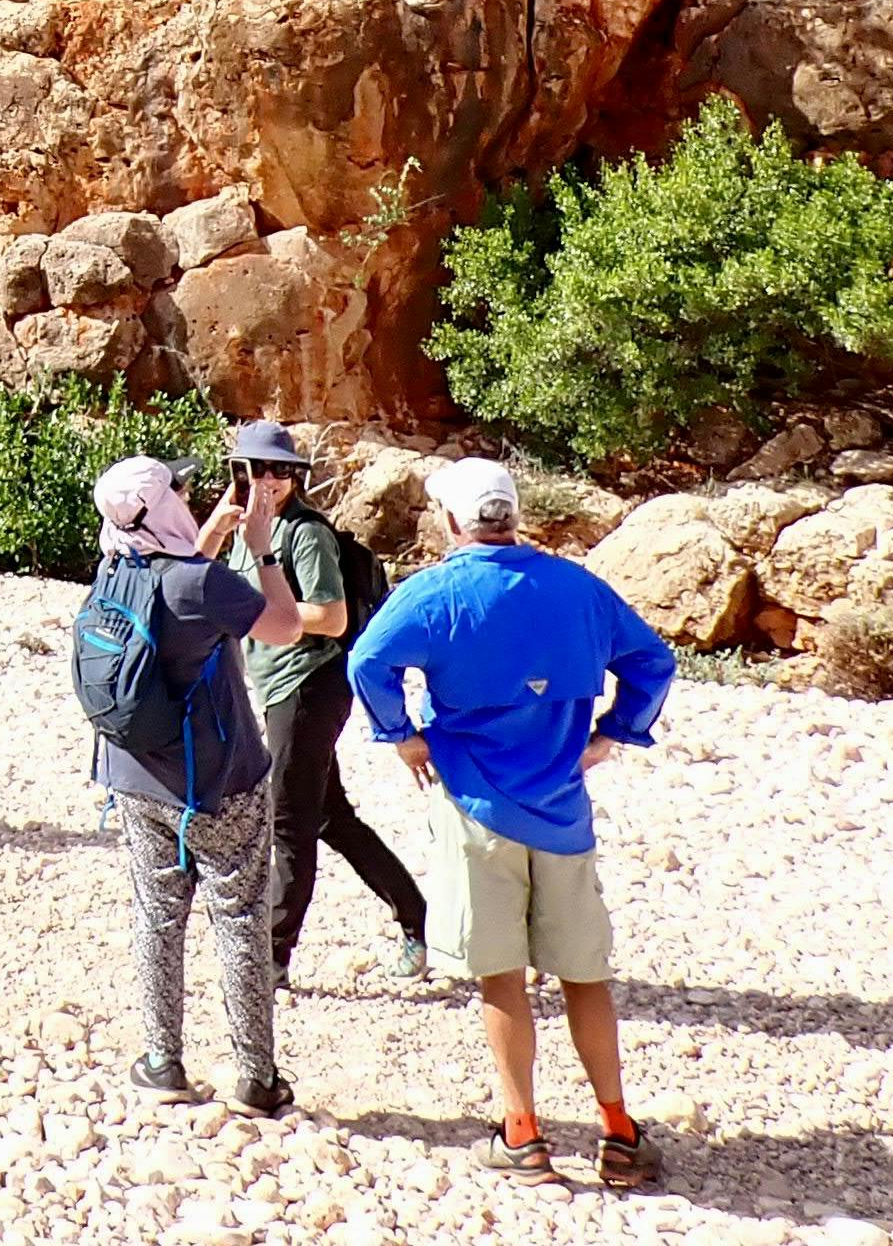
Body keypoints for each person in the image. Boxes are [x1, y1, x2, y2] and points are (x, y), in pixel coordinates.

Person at [348, 457, 677, 1193]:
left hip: (472, 805)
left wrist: (400, 734)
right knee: (584, 976)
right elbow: (653, 660)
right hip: (562, 807)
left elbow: (368, 661)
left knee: (503, 976)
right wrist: (616, 733)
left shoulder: (434, 592)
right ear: (513, 515)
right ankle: (618, 1132)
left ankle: (522, 1134)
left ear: (454, 522)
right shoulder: (578, 589)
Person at [85, 450, 304, 1115]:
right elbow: (286, 627)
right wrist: (263, 552)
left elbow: (178, 576)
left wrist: (209, 536)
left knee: (158, 916)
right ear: (165, 505)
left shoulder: (110, 567)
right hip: (217, 780)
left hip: (134, 777)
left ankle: (161, 1061)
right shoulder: (199, 584)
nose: (187, 492)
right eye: (178, 489)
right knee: (238, 917)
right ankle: (256, 1078)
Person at [219, 420, 431, 983]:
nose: (268, 480)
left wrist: (260, 616)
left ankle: (272, 958)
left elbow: (330, 616)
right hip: (276, 686)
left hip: (309, 682)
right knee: (329, 815)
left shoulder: (303, 534)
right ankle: (416, 917)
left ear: (294, 476)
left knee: (287, 821)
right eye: (255, 469)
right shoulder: (245, 531)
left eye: (279, 470)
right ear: (238, 473)